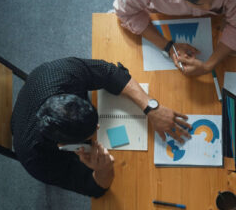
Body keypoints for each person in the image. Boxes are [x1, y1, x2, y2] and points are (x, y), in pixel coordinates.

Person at [11, 57, 191, 197]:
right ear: (65, 146)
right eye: (93, 132)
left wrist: (151, 107)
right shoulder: (38, 162)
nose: (99, 127)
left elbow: (109, 72)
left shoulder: (59, 72)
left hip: (34, 92)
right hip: (24, 131)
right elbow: (93, 188)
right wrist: (103, 170)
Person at [113, 0, 236, 76]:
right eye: (199, 4)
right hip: (161, 13)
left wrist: (208, 65)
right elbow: (124, 12)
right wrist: (168, 47)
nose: (209, 8)